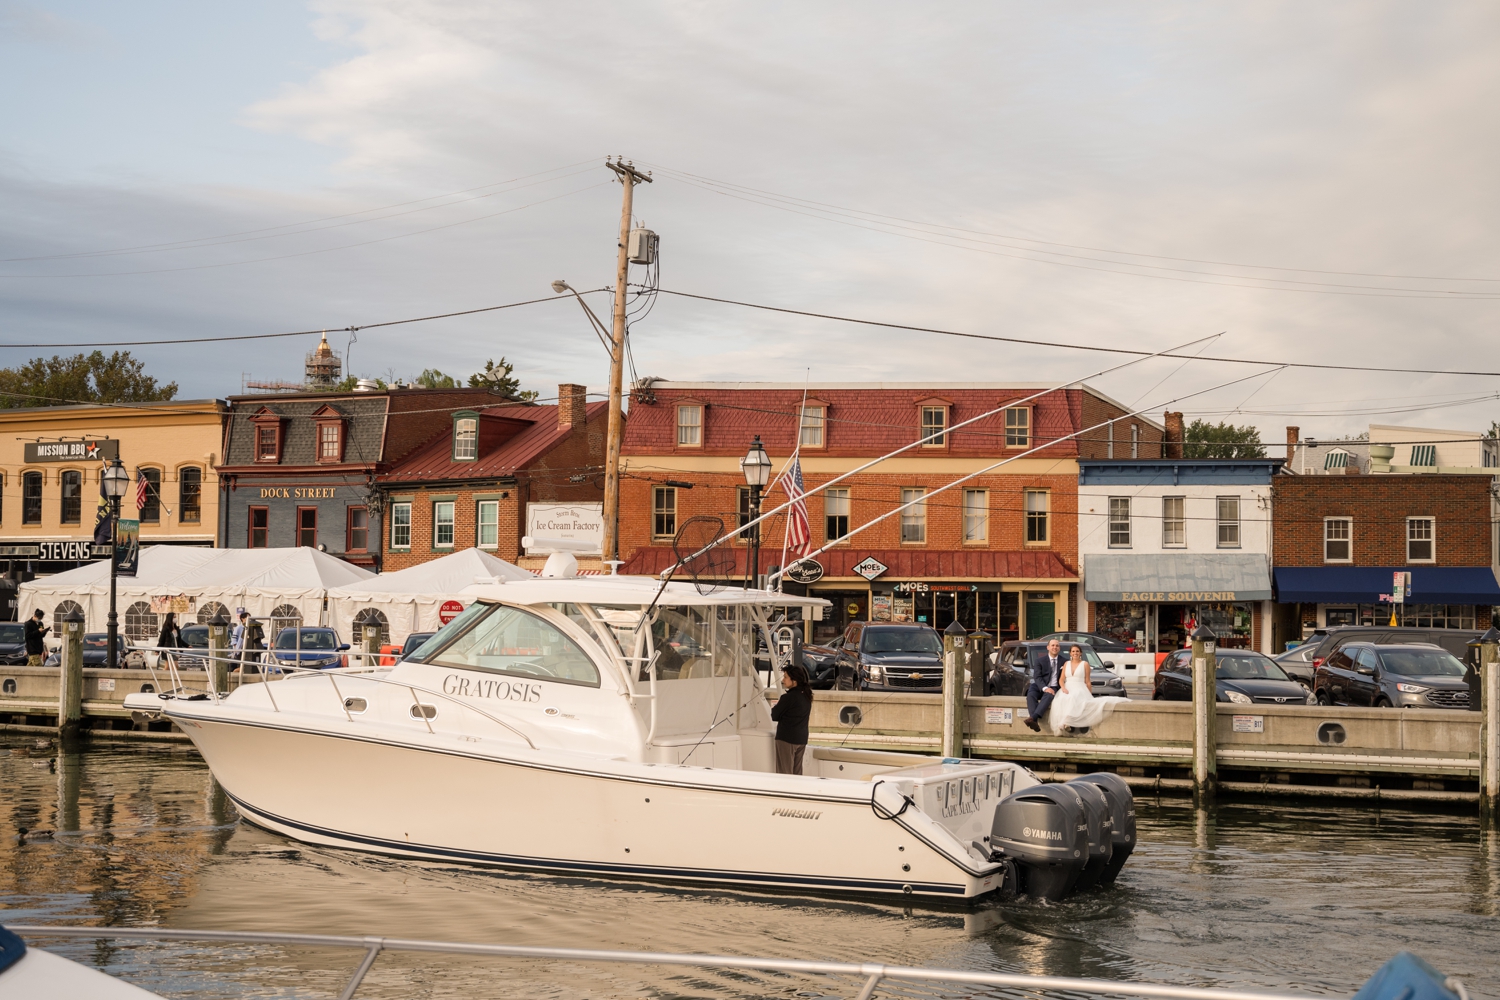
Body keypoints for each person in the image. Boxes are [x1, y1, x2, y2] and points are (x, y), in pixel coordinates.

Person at [1048, 644, 1129, 736]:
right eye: (1073, 651)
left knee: (1073, 697)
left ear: (1081, 653)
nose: (1075, 653)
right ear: (1070, 653)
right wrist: (1063, 687)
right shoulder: (1067, 664)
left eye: (1077, 651)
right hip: (1067, 687)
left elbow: (1087, 681)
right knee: (1060, 700)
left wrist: (1089, 694)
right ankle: (1066, 722)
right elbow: (1061, 679)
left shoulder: (1085, 664)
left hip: (1079, 687)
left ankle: (1066, 721)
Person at [771, 663, 813, 775]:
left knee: (784, 772)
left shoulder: (787, 698)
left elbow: (774, 715)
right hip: (801, 739)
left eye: (785, 677)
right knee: (797, 772)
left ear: (794, 680)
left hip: (786, 739)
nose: (783, 680)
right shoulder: (807, 696)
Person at [1024, 638, 1065, 732]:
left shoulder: (1064, 661)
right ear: (1048, 647)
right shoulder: (1039, 661)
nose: (1055, 647)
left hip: (1054, 686)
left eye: (1057, 645)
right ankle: (1034, 720)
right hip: (1039, 685)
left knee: (1049, 695)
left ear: (1059, 648)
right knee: (1031, 694)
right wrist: (1045, 688)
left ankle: (1033, 718)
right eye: (1053, 645)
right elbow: (1037, 677)